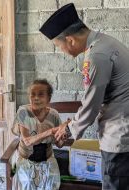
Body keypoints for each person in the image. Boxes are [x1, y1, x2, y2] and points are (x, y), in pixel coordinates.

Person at [40, 3, 129, 190]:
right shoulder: (106, 42)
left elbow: (91, 104)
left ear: (70, 40)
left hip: (119, 135)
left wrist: (68, 130)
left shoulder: (97, 55)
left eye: (59, 46)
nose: (61, 51)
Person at [11, 79, 65, 190]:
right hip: (25, 159)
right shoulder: (23, 112)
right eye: (33, 94)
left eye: (41, 95)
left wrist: (63, 135)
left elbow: (59, 144)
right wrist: (49, 132)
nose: (36, 98)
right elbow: (27, 141)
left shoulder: (53, 115)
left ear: (48, 99)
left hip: (47, 158)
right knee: (25, 182)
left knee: (51, 183)